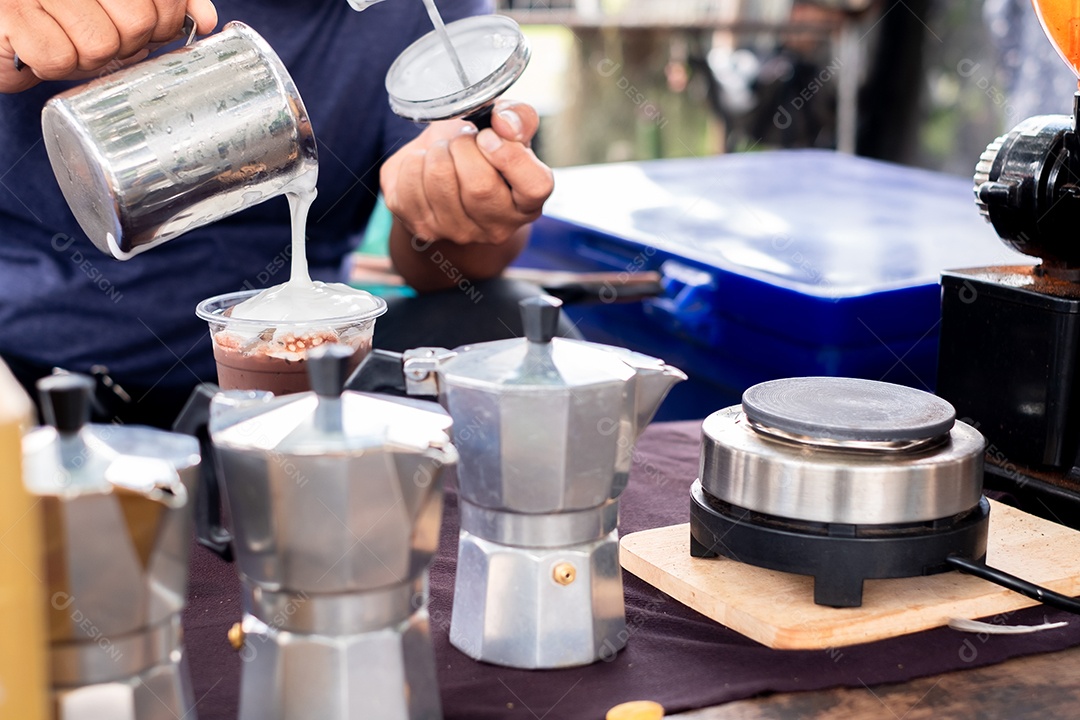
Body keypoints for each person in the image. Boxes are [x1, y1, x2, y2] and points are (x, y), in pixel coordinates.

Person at [0, 0, 562, 426]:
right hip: (31, 371)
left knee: (504, 319)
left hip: (302, 374)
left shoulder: (421, 13)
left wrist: (463, 196)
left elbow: (438, 261)